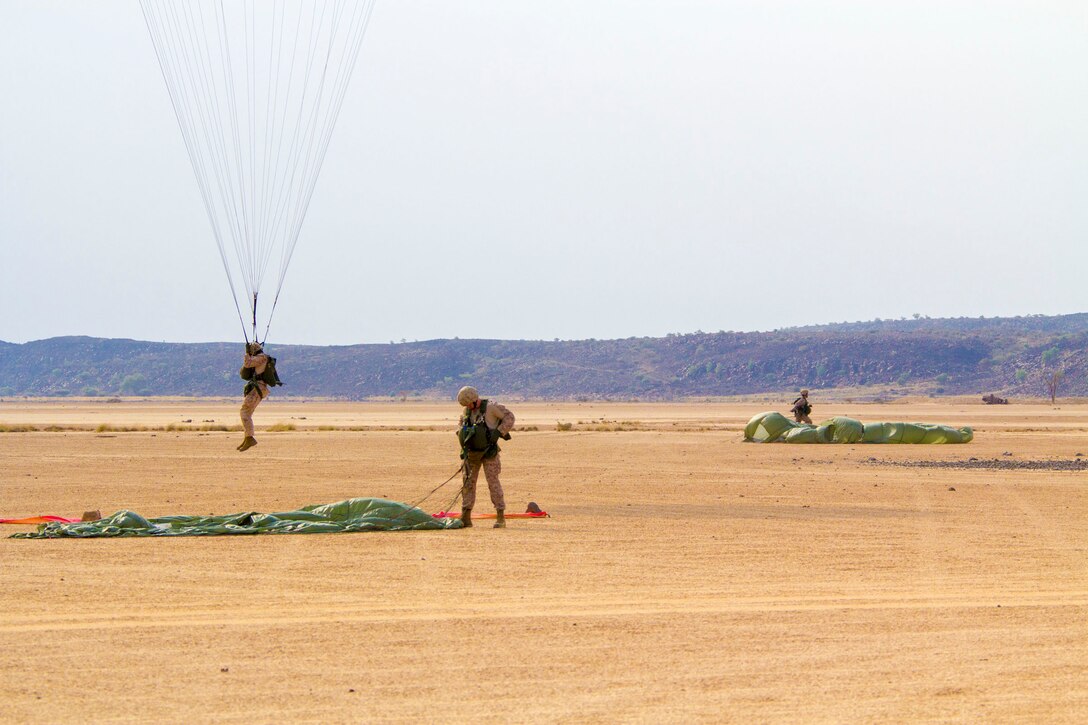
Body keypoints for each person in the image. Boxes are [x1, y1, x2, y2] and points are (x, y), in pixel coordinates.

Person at [456, 386, 514, 528]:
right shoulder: (466, 411)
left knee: (493, 483)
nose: (468, 407)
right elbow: (460, 426)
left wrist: (499, 432)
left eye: (469, 403)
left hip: (489, 453)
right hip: (472, 454)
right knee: (468, 483)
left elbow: (510, 417)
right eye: (466, 405)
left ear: (475, 399)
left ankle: (500, 516)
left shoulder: (491, 408)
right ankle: (466, 516)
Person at [238, 342, 270, 451]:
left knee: (244, 412)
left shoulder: (261, 358)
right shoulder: (261, 357)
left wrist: (247, 353)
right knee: (247, 413)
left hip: (258, 388)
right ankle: (247, 437)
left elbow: (247, 364)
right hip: (258, 388)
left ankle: (250, 438)